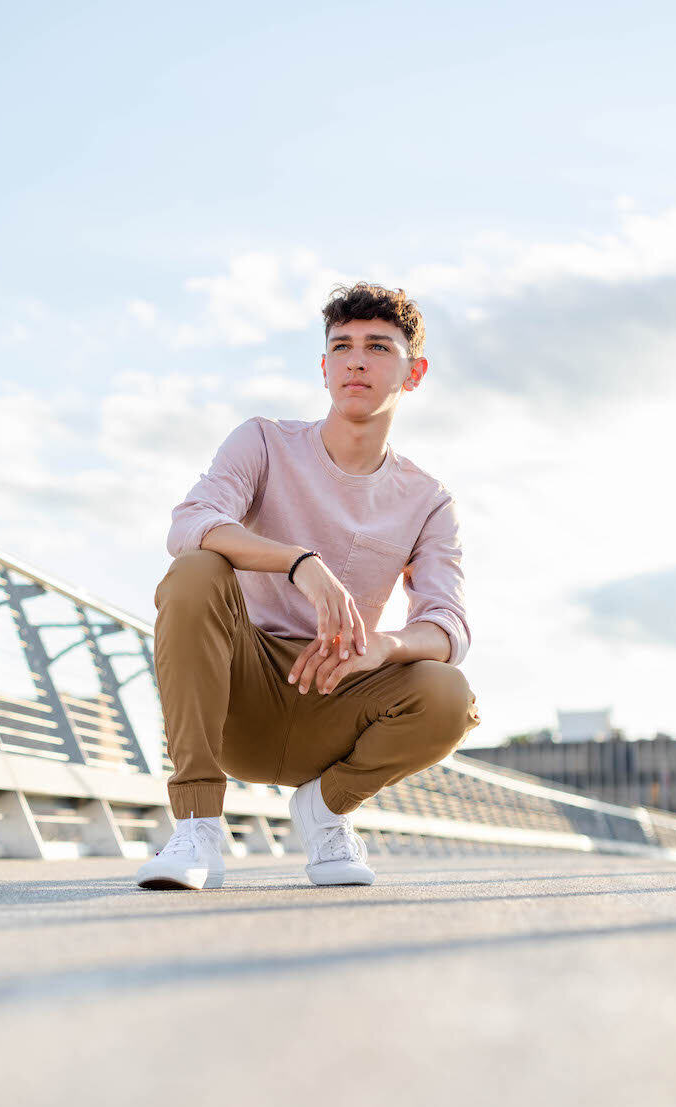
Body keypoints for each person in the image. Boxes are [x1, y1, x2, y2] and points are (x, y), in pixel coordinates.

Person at [136, 281, 481, 891]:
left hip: (337, 695)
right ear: (324, 369)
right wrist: (299, 562)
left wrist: (384, 648)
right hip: (240, 694)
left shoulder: (428, 500)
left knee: (448, 692)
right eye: (342, 347)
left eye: (378, 347)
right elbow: (190, 523)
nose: (356, 361)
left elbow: (448, 625)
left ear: (414, 372)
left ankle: (325, 809)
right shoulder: (263, 442)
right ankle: (196, 828)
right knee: (194, 570)